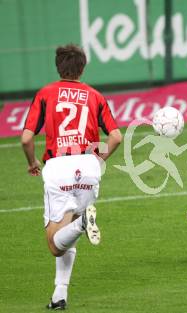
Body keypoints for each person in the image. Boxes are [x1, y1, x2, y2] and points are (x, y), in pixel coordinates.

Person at [21, 44, 122, 310]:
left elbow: (26, 138)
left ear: (58, 67)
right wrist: (100, 159)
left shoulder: (46, 94)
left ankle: (82, 225)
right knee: (68, 233)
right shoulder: (95, 96)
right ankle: (59, 295)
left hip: (59, 166)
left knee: (56, 244)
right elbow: (116, 136)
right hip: (89, 167)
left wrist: (32, 162)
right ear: (83, 68)